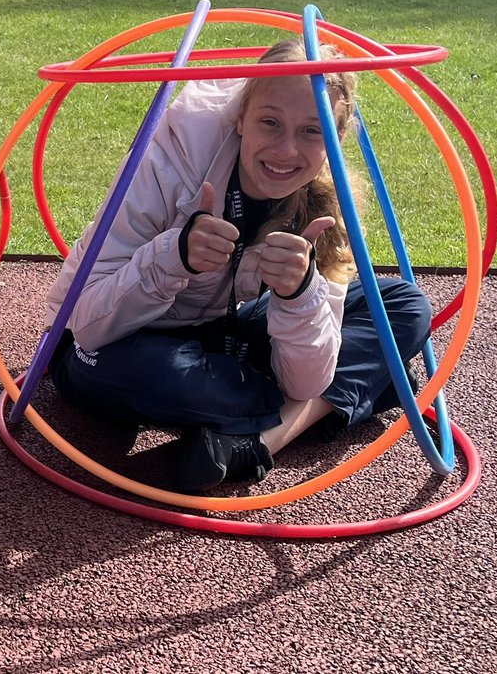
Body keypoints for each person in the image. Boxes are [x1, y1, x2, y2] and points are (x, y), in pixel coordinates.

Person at [45, 39, 433, 493]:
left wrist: (297, 292)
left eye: (312, 131)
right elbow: (88, 325)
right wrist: (175, 257)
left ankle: (254, 441)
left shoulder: (330, 204)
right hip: (115, 341)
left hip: (220, 331)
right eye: (270, 122)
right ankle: (356, 390)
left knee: (402, 305)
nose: (287, 150)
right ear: (241, 119)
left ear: (336, 138)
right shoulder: (167, 158)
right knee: (165, 376)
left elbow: (306, 378)